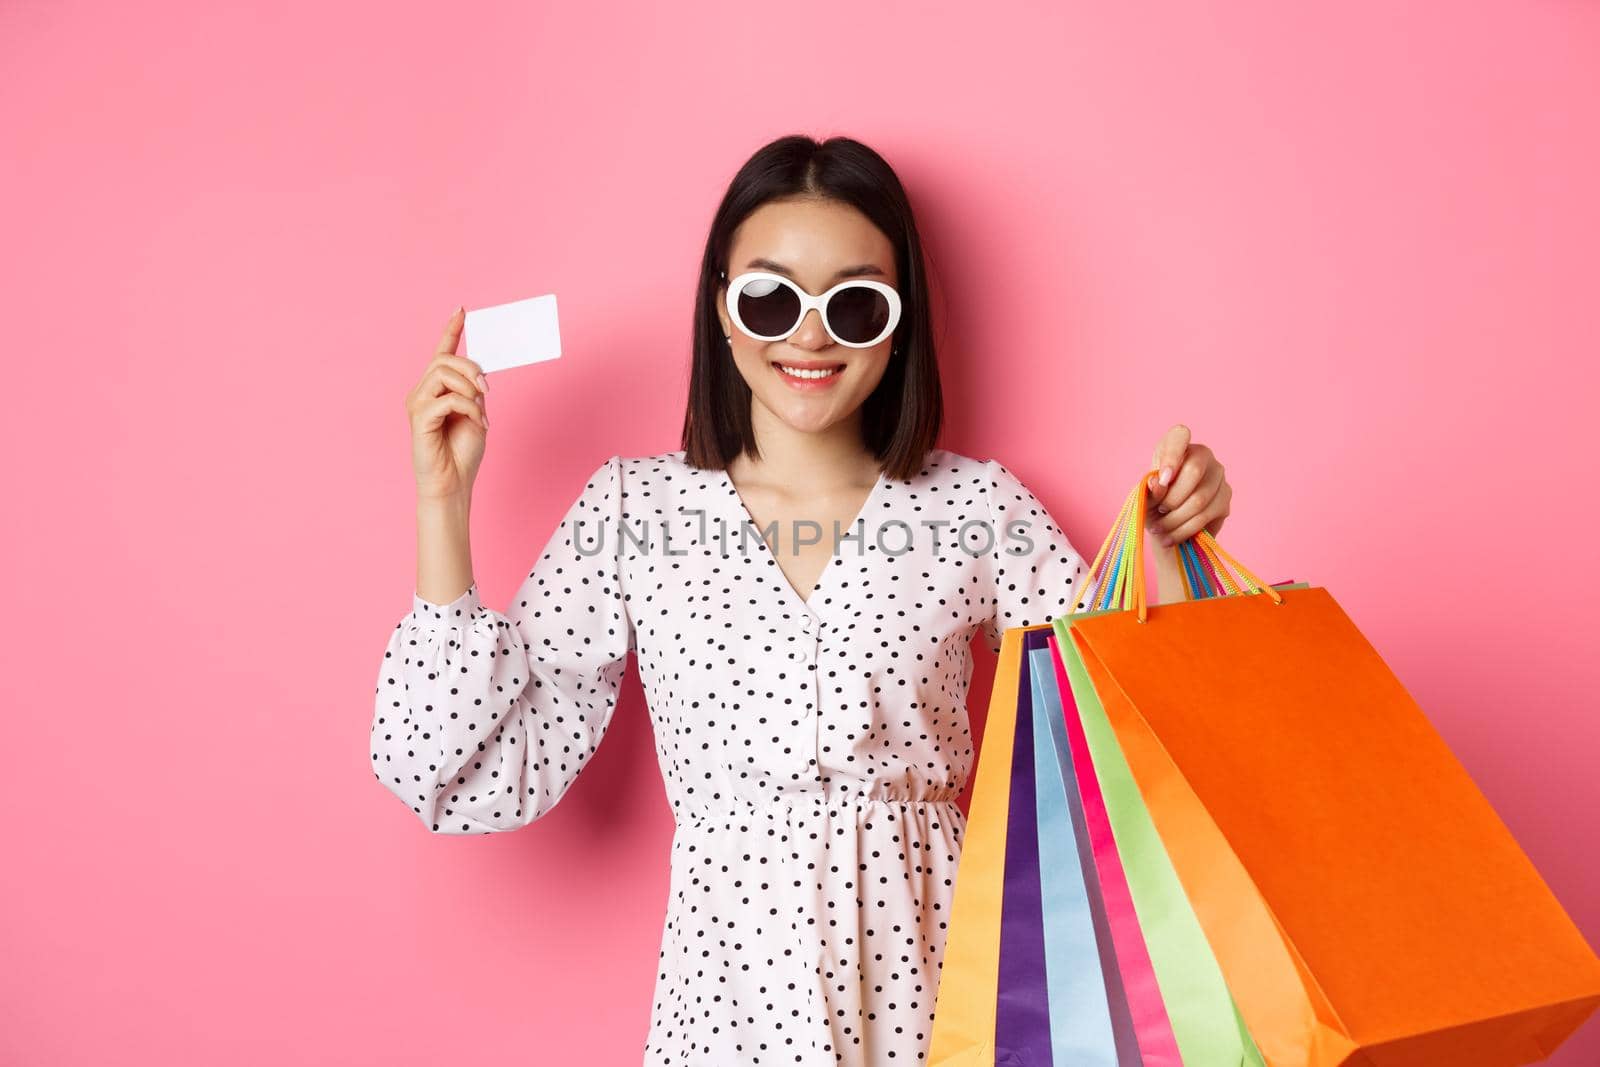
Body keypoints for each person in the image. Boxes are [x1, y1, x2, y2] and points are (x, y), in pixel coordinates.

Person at [371, 133, 1235, 1065]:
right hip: (727, 1005)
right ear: (722, 309)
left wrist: (1167, 554)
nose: (811, 334)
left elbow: (1133, 741)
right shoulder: (634, 509)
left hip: (946, 985)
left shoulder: (975, 507)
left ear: (898, 324)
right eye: (772, 296)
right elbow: (463, 769)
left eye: (856, 302)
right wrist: (442, 504)